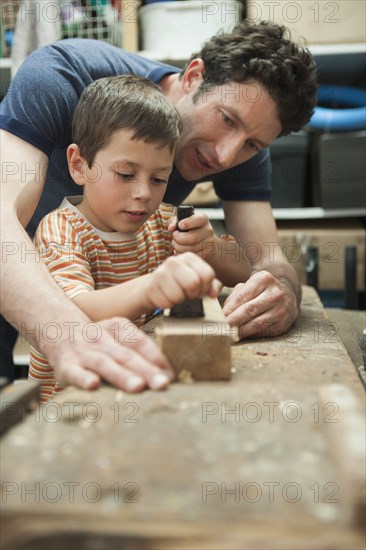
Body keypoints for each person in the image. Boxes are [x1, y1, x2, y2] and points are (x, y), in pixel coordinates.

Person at [0, 20, 318, 391]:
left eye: (252, 145)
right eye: (227, 119)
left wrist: (282, 293)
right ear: (194, 76)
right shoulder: (60, 75)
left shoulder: (242, 152)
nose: (225, 155)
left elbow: (266, 262)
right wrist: (68, 333)